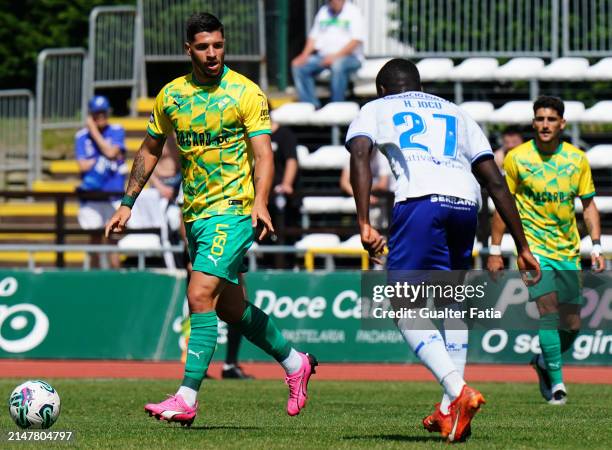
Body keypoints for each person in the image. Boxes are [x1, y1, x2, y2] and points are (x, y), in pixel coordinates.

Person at [105, 12, 317, 425]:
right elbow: (150, 150)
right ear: (189, 49)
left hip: (234, 211)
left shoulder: (245, 92)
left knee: (199, 294)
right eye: (203, 47)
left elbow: (264, 154)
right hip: (196, 215)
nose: (212, 53)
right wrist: (128, 201)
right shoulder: (170, 97)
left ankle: (186, 397)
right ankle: (296, 363)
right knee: (231, 309)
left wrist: (261, 201)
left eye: (218, 45)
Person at [345, 59, 541, 442]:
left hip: (420, 202)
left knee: (402, 306)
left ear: (382, 90)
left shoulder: (377, 108)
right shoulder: (457, 112)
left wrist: (364, 222)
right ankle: (451, 411)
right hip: (466, 206)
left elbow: (359, 154)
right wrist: (522, 245)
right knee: (452, 305)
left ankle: (458, 390)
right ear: (419, 85)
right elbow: (495, 182)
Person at [487, 96, 606, 406]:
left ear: (562, 124)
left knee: (572, 325)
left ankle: (541, 362)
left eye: (551, 119)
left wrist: (596, 246)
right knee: (548, 312)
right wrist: (495, 249)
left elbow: (589, 206)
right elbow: (503, 205)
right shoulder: (517, 158)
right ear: (533, 122)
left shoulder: (577, 160)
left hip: (567, 250)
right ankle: (558, 385)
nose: (544, 124)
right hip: (532, 249)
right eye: (539, 119)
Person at [75, 95, 127, 268]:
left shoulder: (117, 130)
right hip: (92, 197)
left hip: (113, 195)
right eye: (96, 114)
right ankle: (93, 278)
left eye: (103, 112)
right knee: (94, 239)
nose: (101, 117)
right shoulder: (81, 136)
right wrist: (105, 154)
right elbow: (82, 166)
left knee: (113, 240)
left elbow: (113, 153)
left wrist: (94, 133)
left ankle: (116, 280)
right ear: (91, 114)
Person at [291, 0, 364, 108]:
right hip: (324, 57)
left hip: (350, 58)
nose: (332, 2)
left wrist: (336, 56)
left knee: (338, 65)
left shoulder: (354, 12)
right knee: (299, 66)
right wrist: (304, 55)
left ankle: (336, 107)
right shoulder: (323, 11)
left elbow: (356, 40)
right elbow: (313, 37)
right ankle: (311, 106)